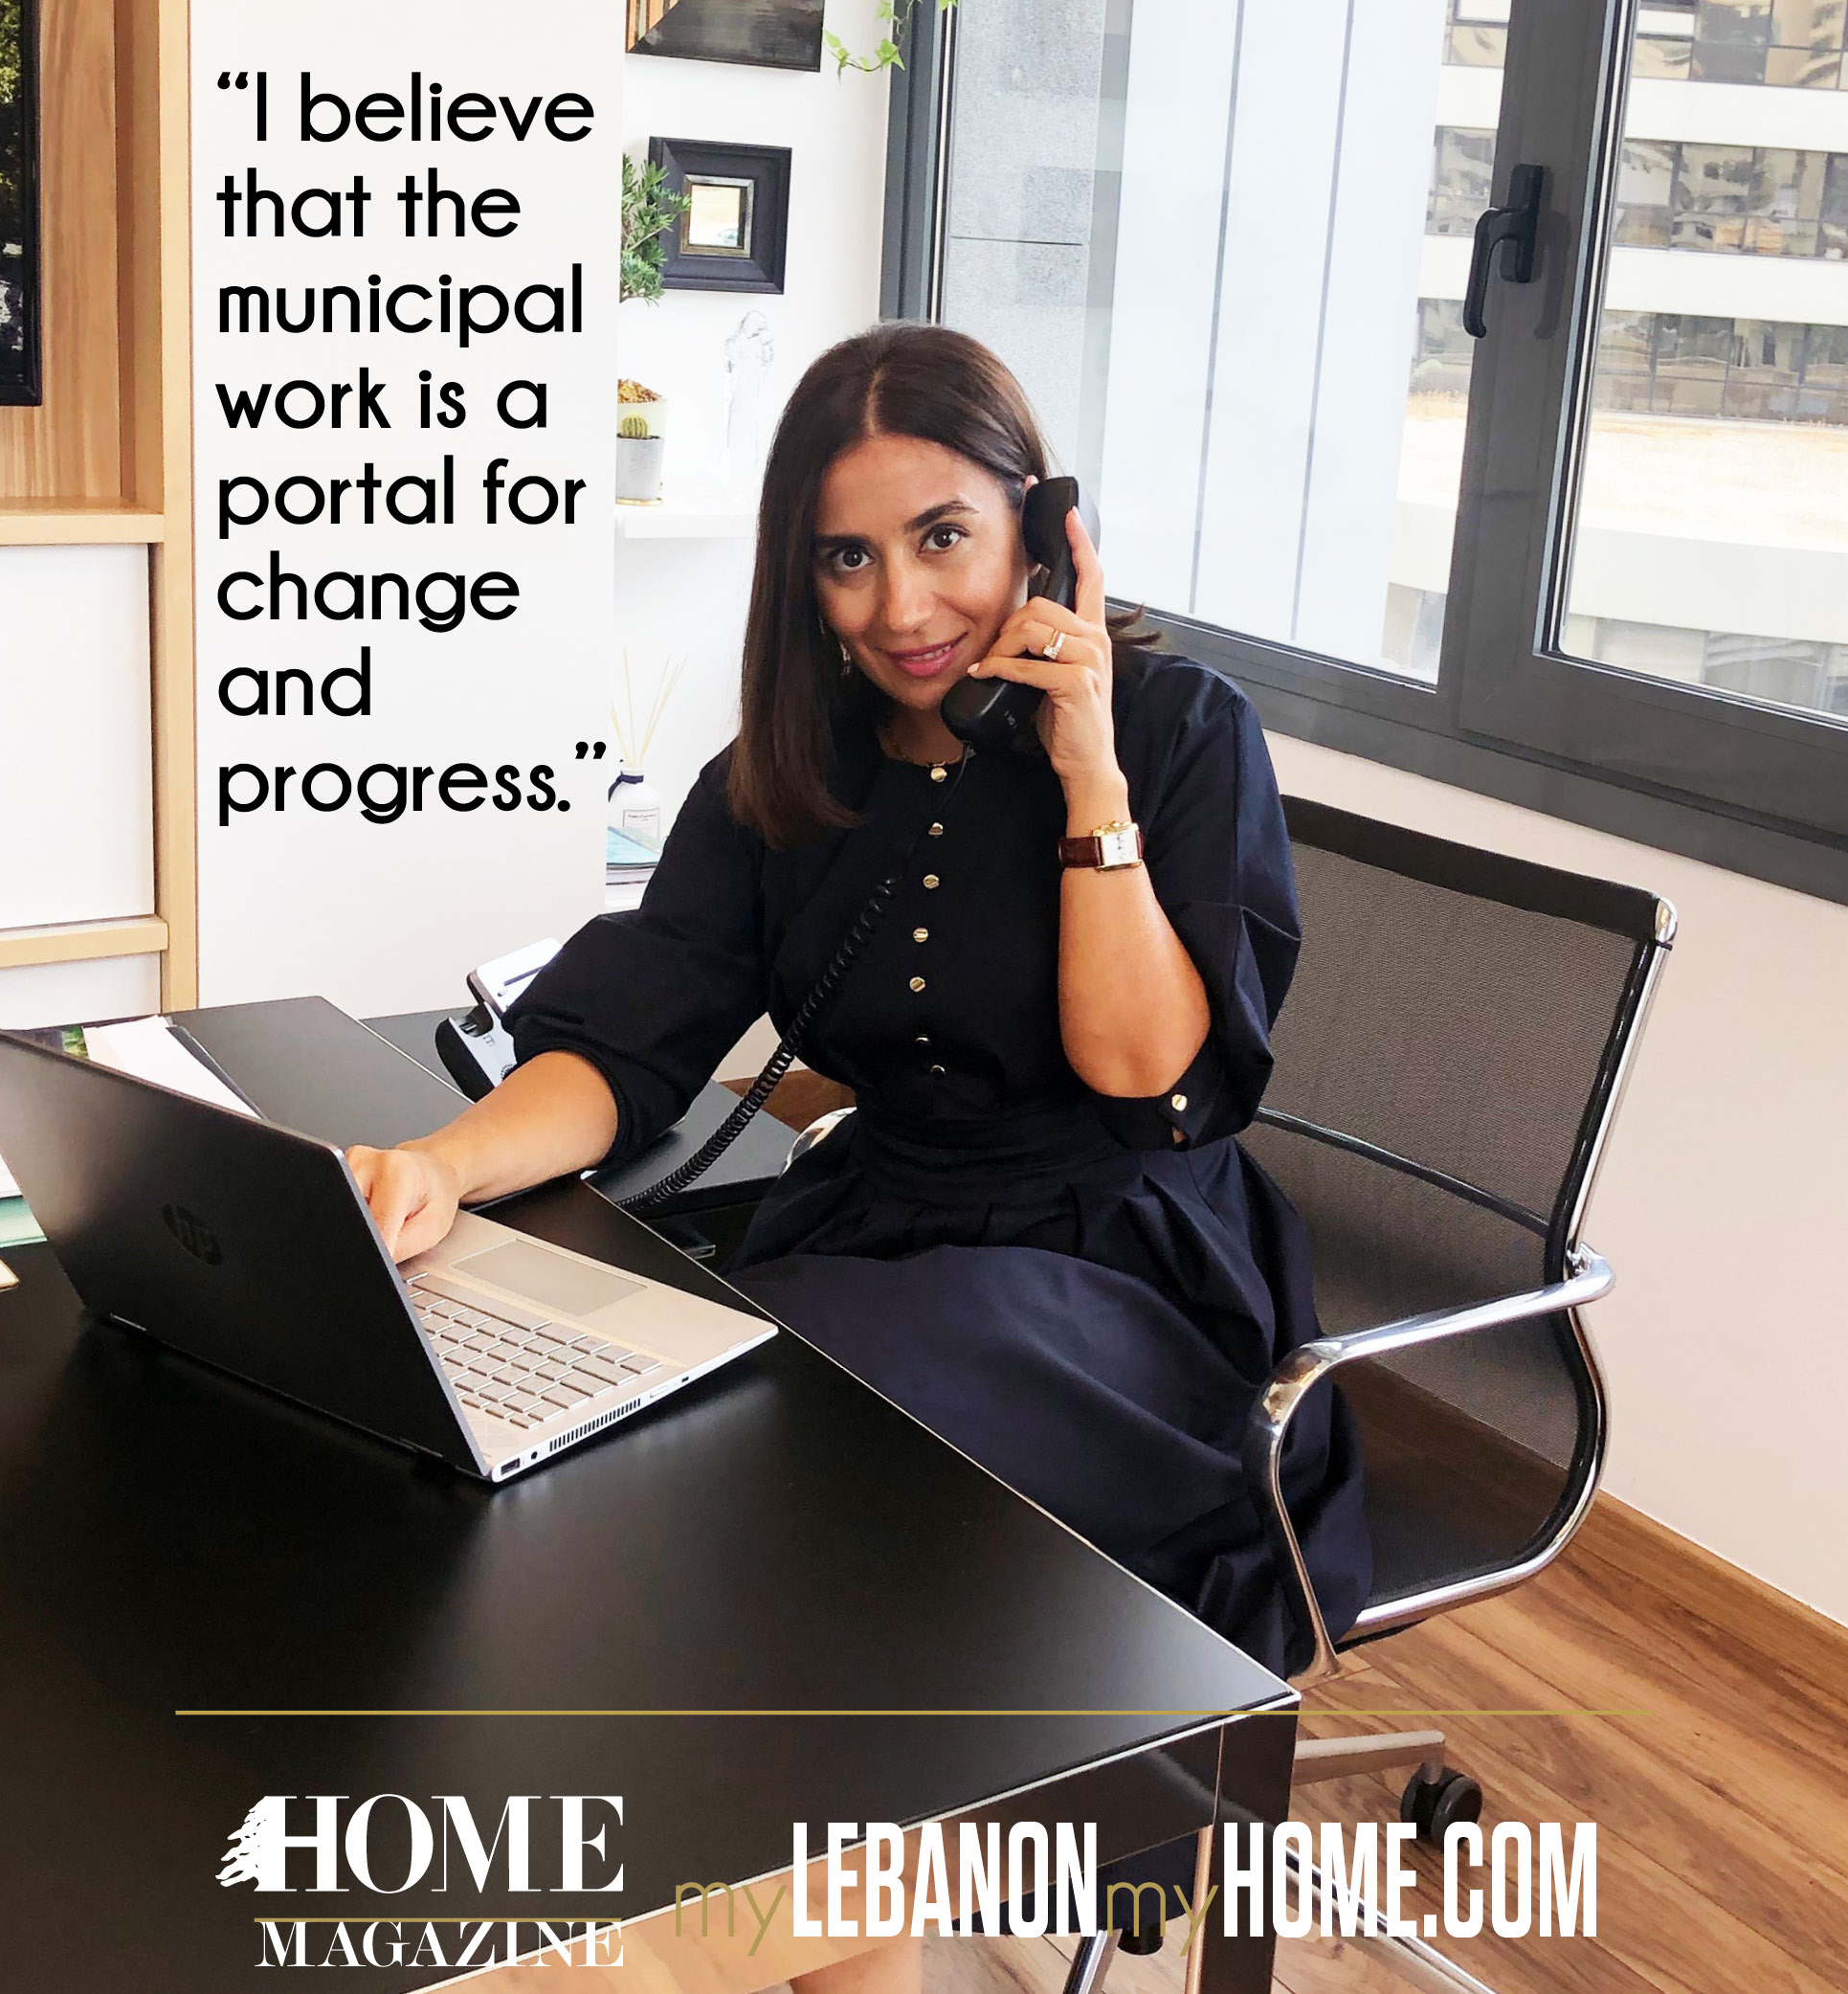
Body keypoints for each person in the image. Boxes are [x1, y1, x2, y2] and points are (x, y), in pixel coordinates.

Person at [349, 323, 1368, 1993]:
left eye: (944, 538)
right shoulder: (794, 774)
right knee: (652, 1461)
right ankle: (816, 1928)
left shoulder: (1180, 729)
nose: (901, 607)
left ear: (1041, 530)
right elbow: (627, 1041)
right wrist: (444, 1166)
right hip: (890, 1228)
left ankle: (698, 1930)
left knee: (762, 1476)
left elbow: (1151, 1077)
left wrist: (1085, 770)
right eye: (848, 557)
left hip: (1123, 1269)